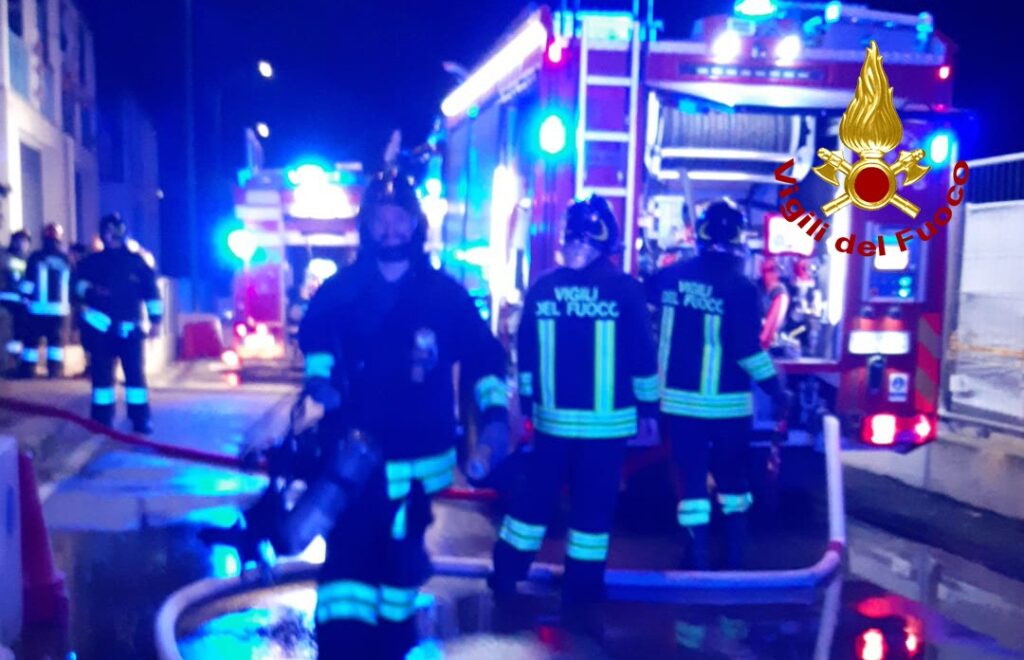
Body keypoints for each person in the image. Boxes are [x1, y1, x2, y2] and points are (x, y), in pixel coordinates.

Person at [297, 170, 510, 658]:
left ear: (416, 224)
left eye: (400, 218)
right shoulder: (340, 291)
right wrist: (320, 380)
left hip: (418, 463)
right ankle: (343, 647)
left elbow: (483, 359)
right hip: (354, 460)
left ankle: (392, 644)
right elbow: (317, 343)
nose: (390, 229)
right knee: (348, 562)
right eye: (381, 219)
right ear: (366, 225)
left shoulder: (445, 296)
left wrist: (495, 417)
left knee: (400, 568)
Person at [489, 196, 659, 608]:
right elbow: (642, 354)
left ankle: (506, 573)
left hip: (552, 423)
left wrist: (527, 404)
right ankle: (581, 589)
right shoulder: (626, 290)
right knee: (591, 514)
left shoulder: (543, 287)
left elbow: (526, 353)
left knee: (534, 501)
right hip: (607, 426)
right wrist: (649, 410)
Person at [652, 200, 788, 570]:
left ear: (699, 235)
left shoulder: (669, 277)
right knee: (732, 483)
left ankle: (696, 557)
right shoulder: (741, 288)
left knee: (691, 484)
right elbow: (748, 351)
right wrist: (776, 390)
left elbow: (643, 309)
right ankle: (733, 557)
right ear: (740, 239)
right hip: (728, 408)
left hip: (678, 405)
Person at [73, 214, 162, 434]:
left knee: (135, 378)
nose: (112, 237)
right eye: (108, 233)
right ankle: (101, 420)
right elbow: (75, 287)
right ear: (103, 235)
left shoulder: (136, 262)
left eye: (115, 233)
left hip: (129, 330)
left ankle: (140, 419)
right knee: (102, 379)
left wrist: (156, 321)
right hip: (101, 330)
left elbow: (151, 293)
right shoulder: (91, 262)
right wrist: (92, 291)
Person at [20, 224, 71, 378]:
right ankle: (55, 371)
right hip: (59, 310)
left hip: (37, 308)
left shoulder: (35, 257)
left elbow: (28, 282)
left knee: (31, 341)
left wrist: (24, 298)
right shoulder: (66, 259)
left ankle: (28, 371)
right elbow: (72, 283)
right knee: (55, 343)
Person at [0, 230, 31, 373]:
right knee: (5, 335)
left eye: (25, 241)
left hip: (19, 303)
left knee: (18, 336)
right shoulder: (4, 256)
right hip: (5, 302)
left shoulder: (28, 259)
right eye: (19, 241)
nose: (22, 244)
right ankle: (5, 365)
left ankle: (14, 365)